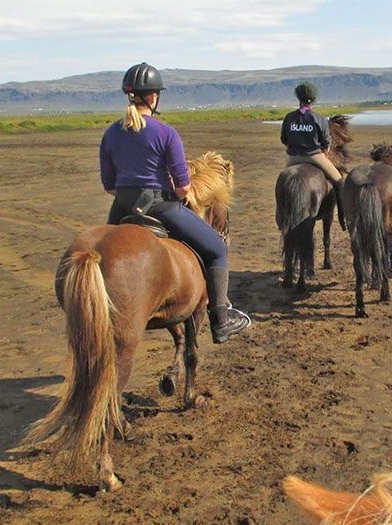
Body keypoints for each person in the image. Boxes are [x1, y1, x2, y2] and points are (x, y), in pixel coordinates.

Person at [100, 62, 250, 344]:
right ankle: (220, 319)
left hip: (122, 207)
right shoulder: (165, 133)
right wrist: (170, 193)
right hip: (160, 206)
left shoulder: (110, 133)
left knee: (102, 257)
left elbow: (109, 186)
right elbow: (182, 188)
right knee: (217, 249)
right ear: (153, 97)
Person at [280, 81, 346, 230]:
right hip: (315, 157)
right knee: (339, 181)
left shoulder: (289, 118)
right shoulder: (319, 119)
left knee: (283, 181)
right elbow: (326, 142)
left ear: (299, 99)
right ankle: (343, 218)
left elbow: (284, 139)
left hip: (293, 158)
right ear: (313, 100)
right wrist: (324, 152)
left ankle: (281, 216)